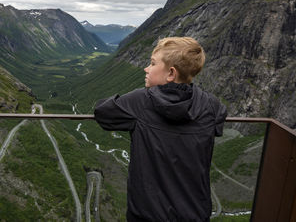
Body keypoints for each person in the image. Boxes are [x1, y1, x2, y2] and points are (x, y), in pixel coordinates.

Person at [94, 37, 227, 221]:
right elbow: (220, 118)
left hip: (147, 215)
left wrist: (132, 97)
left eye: (152, 63)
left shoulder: (140, 102)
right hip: (195, 214)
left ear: (171, 73)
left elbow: (102, 113)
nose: (146, 68)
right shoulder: (212, 106)